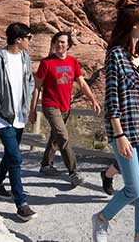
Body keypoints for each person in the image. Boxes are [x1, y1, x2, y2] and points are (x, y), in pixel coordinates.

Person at [92, 0, 139, 242]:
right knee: (134, 188)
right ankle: (101, 219)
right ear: (133, 25)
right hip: (125, 131)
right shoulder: (115, 56)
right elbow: (112, 97)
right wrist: (118, 135)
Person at [0, 22, 37, 221]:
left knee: (11, 155)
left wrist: (27, 103)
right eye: (29, 37)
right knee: (16, 158)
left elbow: (29, 81)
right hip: (2, 117)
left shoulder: (25, 57)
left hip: (19, 116)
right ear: (19, 39)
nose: (31, 41)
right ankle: (21, 203)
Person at [29, 30, 101, 187]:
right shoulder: (46, 63)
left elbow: (82, 83)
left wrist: (93, 100)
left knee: (56, 136)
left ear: (68, 45)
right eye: (57, 42)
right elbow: (37, 88)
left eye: (62, 42)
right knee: (63, 136)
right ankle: (74, 171)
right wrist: (32, 110)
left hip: (65, 106)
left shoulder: (73, 62)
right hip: (50, 104)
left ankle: (46, 165)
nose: (59, 45)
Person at [100, 35, 139, 206]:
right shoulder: (121, 56)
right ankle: (108, 175)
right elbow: (113, 94)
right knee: (129, 158)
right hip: (130, 110)